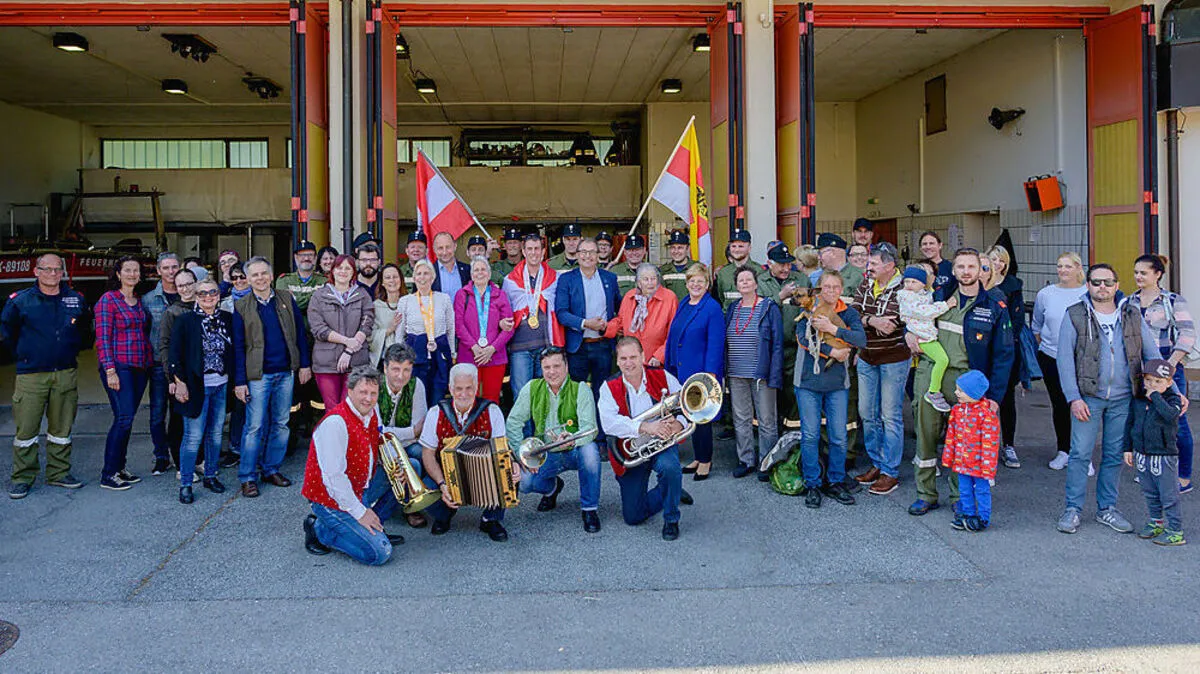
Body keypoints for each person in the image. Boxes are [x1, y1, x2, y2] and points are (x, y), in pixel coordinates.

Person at [1055, 263, 1175, 535]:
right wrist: (1074, 398)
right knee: (1079, 455)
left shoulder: (1131, 314)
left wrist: (1171, 391)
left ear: (1117, 285)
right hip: (1088, 398)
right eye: (1096, 282)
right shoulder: (1075, 314)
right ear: (1088, 285)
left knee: (1113, 456)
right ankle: (1072, 509)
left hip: (1123, 399)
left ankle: (1107, 508)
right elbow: (1064, 360)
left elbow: (1151, 353)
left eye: (1108, 282)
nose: (1102, 287)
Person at [909, 248, 1013, 516]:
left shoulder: (994, 305)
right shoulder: (939, 296)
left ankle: (959, 495)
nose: (966, 272)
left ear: (981, 271)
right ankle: (926, 494)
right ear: (953, 270)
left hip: (967, 383)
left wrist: (994, 398)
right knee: (926, 439)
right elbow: (914, 318)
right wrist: (907, 337)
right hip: (932, 376)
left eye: (971, 267)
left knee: (963, 444)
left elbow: (1004, 355)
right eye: (960, 267)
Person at [3, 253, 88, 499]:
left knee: (62, 427)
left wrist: (70, 351)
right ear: (35, 271)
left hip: (65, 372)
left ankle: (59, 473)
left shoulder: (75, 299)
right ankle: (22, 477)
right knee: (26, 430)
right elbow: (8, 333)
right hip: (31, 375)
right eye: (47, 269)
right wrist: (26, 355)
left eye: (57, 269)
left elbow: (84, 330)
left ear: (63, 272)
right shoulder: (20, 301)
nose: (53, 274)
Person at [232, 256, 313, 498]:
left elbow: (300, 333)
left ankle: (271, 469)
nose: (260, 278)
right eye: (254, 274)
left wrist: (304, 365)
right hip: (258, 375)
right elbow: (237, 347)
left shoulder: (286, 298)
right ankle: (248, 477)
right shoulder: (241, 306)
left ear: (271, 274)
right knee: (254, 426)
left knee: (281, 424)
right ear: (248, 278)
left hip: (285, 372)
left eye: (263, 273)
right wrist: (239, 381)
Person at [598, 337, 692, 541]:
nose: (628, 363)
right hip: (631, 450)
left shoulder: (662, 376)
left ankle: (671, 519)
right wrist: (646, 427)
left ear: (642, 356)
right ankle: (670, 490)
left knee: (669, 468)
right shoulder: (609, 387)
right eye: (623, 358)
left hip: (661, 444)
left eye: (633, 357)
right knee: (633, 516)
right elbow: (609, 424)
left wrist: (679, 424)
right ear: (617, 361)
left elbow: (686, 405)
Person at [300, 366, 396, 565]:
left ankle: (372, 529)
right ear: (350, 391)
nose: (368, 399)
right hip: (329, 499)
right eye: (363, 392)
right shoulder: (336, 423)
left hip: (360, 488)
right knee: (380, 553)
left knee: (401, 472)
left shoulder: (370, 414)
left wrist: (397, 469)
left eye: (373, 393)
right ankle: (320, 530)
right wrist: (361, 513)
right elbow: (334, 480)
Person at [507, 347, 603, 532]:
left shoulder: (581, 389)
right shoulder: (532, 388)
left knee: (591, 452)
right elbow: (513, 422)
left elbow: (590, 429)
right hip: (547, 453)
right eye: (547, 367)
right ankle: (553, 488)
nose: (552, 372)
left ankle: (589, 509)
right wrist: (523, 456)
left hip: (575, 450)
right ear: (541, 369)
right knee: (526, 482)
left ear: (566, 366)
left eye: (557, 366)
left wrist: (573, 439)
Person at [794, 271, 867, 509]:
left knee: (838, 436)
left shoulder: (848, 313)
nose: (831, 291)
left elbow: (861, 339)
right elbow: (802, 338)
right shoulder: (810, 308)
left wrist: (834, 330)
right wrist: (831, 351)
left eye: (836, 287)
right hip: (808, 381)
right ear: (819, 289)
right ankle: (812, 483)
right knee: (811, 435)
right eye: (826, 287)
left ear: (841, 288)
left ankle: (835, 480)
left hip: (837, 383)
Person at [419, 363, 515, 541]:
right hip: (448, 476)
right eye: (458, 388)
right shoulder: (435, 413)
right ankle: (445, 514)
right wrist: (442, 483)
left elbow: (501, 450)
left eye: (469, 388)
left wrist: (512, 468)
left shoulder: (492, 411)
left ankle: (490, 519)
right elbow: (428, 454)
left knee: (509, 477)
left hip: (483, 475)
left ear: (477, 386)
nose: (463, 394)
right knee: (426, 488)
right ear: (450, 388)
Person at [1129, 254, 1195, 494]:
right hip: (1141, 369)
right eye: (1136, 272)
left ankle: (1183, 476)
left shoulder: (1173, 301)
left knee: (1177, 419)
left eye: (1143, 272)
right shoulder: (1129, 302)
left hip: (1167, 365)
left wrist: (1171, 364)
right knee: (1144, 418)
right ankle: (1150, 469)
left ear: (1157, 274)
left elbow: (1187, 334)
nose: (1138, 276)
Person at [851, 242, 910, 496]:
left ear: (889, 265)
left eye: (873, 263)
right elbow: (853, 312)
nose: (869, 267)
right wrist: (870, 320)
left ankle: (890, 472)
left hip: (893, 360)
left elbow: (895, 323)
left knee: (890, 416)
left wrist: (870, 320)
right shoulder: (865, 284)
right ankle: (877, 462)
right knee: (867, 412)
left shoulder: (905, 288)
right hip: (866, 357)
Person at [169, 278, 231, 504]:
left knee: (215, 434)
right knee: (193, 436)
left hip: (221, 383)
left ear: (218, 295)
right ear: (195, 296)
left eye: (212, 293)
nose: (208, 297)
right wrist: (179, 381)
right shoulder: (185, 321)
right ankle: (186, 482)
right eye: (202, 293)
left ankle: (211, 475)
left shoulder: (227, 318)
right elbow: (174, 354)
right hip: (196, 386)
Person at [94, 256, 154, 491]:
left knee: (127, 420)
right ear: (118, 274)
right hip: (119, 367)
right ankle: (108, 473)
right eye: (127, 270)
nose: (132, 274)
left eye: (136, 270)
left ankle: (120, 468)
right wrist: (110, 370)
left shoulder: (138, 301)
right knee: (123, 418)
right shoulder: (108, 300)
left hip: (140, 367)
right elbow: (102, 339)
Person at [665, 263, 726, 481]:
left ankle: (706, 460)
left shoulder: (712, 308)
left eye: (700, 280)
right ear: (687, 282)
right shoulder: (684, 303)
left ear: (707, 284)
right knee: (688, 417)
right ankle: (697, 458)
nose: (695, 284)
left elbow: (716, 344)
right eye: (692, 280)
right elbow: (674, 337)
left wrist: (710, 375)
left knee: (701, 419)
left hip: (700, 373)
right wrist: (669, 363)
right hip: (681, 370)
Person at [361, 344, 429, 529]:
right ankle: (408, 504)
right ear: (385, 368)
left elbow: (419, 432)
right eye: (396, 369)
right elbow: (378, 433)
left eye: (406, 369)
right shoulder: (373, 388)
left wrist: (405, 433)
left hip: (406, 444)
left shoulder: (417, 386)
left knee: (422, 452)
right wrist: (410, 431)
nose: (401, 375)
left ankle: (411, 499)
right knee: (411, 465)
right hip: (377, 447)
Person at [724, 266, 783, 479]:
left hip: (761, 373)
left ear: (756, 284)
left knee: (767, 419)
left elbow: (777, 344)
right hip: (736, 372)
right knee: (741, 418)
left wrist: (774, 374)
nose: (745, 283)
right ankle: (746, 459)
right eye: (741, 280)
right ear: (737, 285)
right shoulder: (733, 308)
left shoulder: (769, 308)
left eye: (749, 279)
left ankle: (767, 461)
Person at [1033, 252, 1089, 471]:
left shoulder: (1087, 293)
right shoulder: (1046, 294)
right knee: (1059, 404)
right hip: (1051, 356)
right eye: (1059, 266)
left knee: (1083, 405)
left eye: (1067, 266)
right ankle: (1064, 450)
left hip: (1082, 359)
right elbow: (1037, 324)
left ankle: (1082, 454)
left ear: (1078, 268)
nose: (1063, 270)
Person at [556, 238, 621, 422]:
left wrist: (611, 326)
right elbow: (561, 313)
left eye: (592, 252)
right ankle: (577, 433)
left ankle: (601, 437)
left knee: (602, 393)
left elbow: (619, 308)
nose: (587, 256)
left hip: (603, 346)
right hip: (578, 347)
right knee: (577, 394)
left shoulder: (610, 278)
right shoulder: (567, 280)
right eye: (583, 252)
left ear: (598, 255)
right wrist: (585, 323)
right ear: (577, 255)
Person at [1125, 359, 1187, 546]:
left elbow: (1169, 415)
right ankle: (1156, 522)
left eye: (1159, 381)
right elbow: (1130, 423)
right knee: (1150, 491)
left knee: (1168, 494)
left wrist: (1156, 397)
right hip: (1142, 453)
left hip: (1164, 455)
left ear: (1169, 382)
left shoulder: (1173, 399)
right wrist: (1128, 448)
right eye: (1149, 380)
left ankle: (1175, 530)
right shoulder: (1138, 400)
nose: (1152, 385)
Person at [308, 254, 375, 411]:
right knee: (333, 410)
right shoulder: (319, 296)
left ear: (353, 272)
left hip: (356, 362)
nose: (343, 271)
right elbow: (319, 329)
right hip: (326, 364)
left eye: (348, 268)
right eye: (339, 268)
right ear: (332, 271)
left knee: (350, 408)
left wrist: (350, 350)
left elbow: (367, 323)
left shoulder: (362, 295)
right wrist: (347, 341)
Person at [502, 233, 563, 397]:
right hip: (520, 348)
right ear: (523, 251)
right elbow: (504, 311)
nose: (533, 253)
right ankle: (525, 425)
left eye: (537, 249)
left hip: (546, 346)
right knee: (522, 396)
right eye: (530, 249)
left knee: (545, 395)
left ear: (543, 252)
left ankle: (542, 425)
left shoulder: (555, 278)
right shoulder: (510, 281)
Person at [757, 243, 810, 431]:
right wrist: (781, 295)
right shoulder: (760, 281)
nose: (786, 268)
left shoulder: (802, 279)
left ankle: (793, 434)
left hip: (794, 347)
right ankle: (767, 436)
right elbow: (759, 309)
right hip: (768, 348)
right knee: (769, 392)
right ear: (770, 263)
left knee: (793, 393)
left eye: (789, 264)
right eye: (781, 264)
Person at [941, 369, 1000, 532]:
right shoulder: (957, 411)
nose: (956, 393)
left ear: (973, 393)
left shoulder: (986, 414)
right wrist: (949, 456)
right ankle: (967, 514)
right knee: (964, 489)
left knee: (981, 491)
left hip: (979, 466)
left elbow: (990, 442)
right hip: (961, 462)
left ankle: (983, 518)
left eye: (960, 390)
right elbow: (951, 435)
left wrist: (987, 468)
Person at [984, 245, 1026, 469]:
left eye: (1001, 260)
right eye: (992, 259)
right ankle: (982, 445)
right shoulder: (979, 284)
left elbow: (1018, 321)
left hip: (1006, 350)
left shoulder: (1013, 286)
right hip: (981, 350)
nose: (997, 264)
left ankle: (1008, 444)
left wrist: (1004, 341)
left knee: (1006, 399)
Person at [142, 252, 184, 476]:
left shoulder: (189, 295)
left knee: (179, 414)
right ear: (158, 271)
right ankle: (161, 456)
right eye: (166, 268)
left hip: (183, 367)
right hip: (159, 366)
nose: (171, 271)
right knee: (158, 413)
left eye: (175, 267)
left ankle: (180, 454)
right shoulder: (148, 300)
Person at [454, 256, 516, 403]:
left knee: (491, 399)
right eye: (476, 270)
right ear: (471, 274)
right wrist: (475, 347)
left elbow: (509, 327)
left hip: (495, 357)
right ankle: (470, 427)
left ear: (489, 274)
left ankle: (489, 427)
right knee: (468, 399)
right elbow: (458, 325)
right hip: (469, 356)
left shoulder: (500, 295)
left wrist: (491, 349)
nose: (480, 273)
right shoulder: (462, 295)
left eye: (483, 269)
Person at [395, 259, 455, 406]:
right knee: (417, 400)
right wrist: (399, 358)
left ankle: (435, 428)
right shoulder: (405, 301)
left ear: (432, 277)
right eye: (419, 274)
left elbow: (450, 328)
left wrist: (452, 353)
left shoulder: (444, 299)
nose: (422, 277)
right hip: (415, 355)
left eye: (426, 273)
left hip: (439, 354)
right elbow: (400, 332)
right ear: (414, 278)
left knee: (438, 398)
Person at [156, 268, 200, 472]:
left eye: (189, 283)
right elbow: (164, 346)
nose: (186, 288)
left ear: (196, 283)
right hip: (181, 374)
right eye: (181, 285)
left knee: (200, 418)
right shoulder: (172, 312)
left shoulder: (205, 305)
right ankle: (181, 465)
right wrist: (172, 378)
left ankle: (199, 460)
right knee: (178, 420)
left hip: (202, 373)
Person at [896, 265, 954, 412]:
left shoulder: (924, 294)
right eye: (907, 281)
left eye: (913, 282)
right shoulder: (906, 297)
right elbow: (924, 312)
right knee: (943, 360)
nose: (909, 285)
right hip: (923, 337)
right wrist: (946, 305)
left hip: (926, 334)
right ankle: (933, 391)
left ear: (923, 283)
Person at [606, 263, 678, 367]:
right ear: (639, 282)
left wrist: (660, 356)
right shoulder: (630, 296)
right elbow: (621, 321)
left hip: (656, 362)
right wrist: (605, 328)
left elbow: (674, 333)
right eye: (646, 279)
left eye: (653, 279)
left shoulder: (669, 298)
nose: (650, 283)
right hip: (631, 361)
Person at [220, 262, 251, 468]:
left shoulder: (260, 299)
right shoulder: (224, 304)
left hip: (256, 359)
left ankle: (254, 448)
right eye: (235, 278)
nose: (239, 281)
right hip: (233, 362)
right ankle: (235, 447)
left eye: (242, 277)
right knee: (238, 406)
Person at [276, 240, 327, 317]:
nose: (306, 258)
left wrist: (294, 299)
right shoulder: (284, 280)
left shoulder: (325, 281)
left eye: (310, 255)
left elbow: (325, 307)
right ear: (296, 257)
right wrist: (315, 296)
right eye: (302, 255)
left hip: (317, 327)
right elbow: (284, 305)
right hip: (292, 327)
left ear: (315, 258)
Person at [369, 263, 407, 367]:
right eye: (387, 277)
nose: (392, 280)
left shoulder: (410, 303)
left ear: (401, 279)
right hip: (383, 359)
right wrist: (389, 330)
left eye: (395, 277)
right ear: (382, 283)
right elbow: (369, 335)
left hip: (406, 359)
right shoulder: (375, 306)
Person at [713, 229, 762, 308]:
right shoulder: (723, 273)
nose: (736, 250)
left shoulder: (759, 271)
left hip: (751, 317)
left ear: (749, 248)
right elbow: (721, 298)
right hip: (728, 317)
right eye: (733, 246)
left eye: (741, 246)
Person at [658, 229, 695, 301]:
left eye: (680, 248)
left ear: (687, 248)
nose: (676, 251)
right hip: (670, 311)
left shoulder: (697, 268)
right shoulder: (663, 271)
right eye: (673, 248)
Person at [431, 231, 470, 298]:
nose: (444, 252)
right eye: (440, 248)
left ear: (455, 246)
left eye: (448, 247)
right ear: (434, 249)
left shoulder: (468, 270)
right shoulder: (428, 272)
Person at [918, 231, 956, 300]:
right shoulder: (916, 269)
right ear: (920, 248)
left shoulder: (951, 268)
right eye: (924, 244)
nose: (928, 247)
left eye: (931, 243)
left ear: (940, 245)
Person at [612, 233, 648, 297]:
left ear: (644, 250)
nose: (634, 253)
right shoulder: (614, 272)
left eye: (637, 249)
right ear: (625, 252)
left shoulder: (653, 271)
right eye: (630, 250)